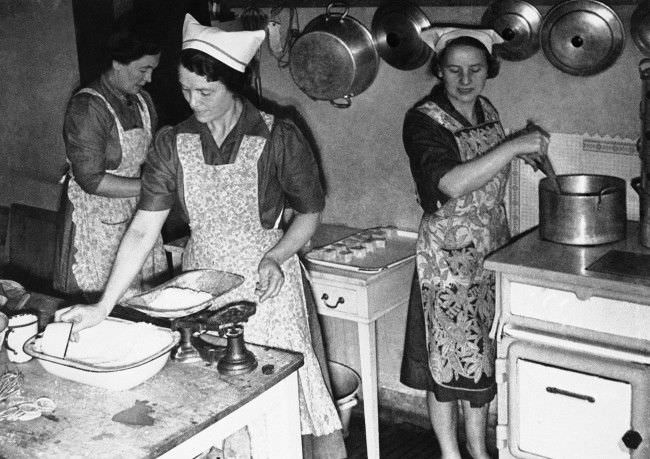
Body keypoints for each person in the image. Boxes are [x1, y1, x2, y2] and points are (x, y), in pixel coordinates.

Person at [58, 14, 346, 459]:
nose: (193, 101)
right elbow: (141, 229)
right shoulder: (172, 143)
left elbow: (310, 212)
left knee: (278, 410)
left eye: (205, 92)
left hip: (267, 285)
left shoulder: (277, 134)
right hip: (201, 287)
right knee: (216, 410)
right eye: (186, 89)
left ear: (236, 84)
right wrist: (103, 306)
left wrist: (277, 254)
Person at [399, 28, 549, 459]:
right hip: (445, 259)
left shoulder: (485, 109)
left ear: (489, 70)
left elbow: (485, 165)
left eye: (475, 69)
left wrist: (517, 149)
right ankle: (450, 454)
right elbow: (449, 182)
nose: (466, 80)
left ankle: (478, 450)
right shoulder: (423, 120)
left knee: (480, 361)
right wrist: (511, 146)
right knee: (445, 365)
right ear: (439, 72)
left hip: (488, 251)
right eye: (454, 70)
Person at [54, 14, 168, 300]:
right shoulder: (88, 107)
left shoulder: (143, 101)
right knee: (111, 303)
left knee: (145, 297)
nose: (149, 78)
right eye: (143, 70)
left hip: (138, 213)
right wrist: (150, 188)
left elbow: (152, 153)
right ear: (118, 62)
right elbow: (91, 181)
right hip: (101, 223)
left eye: (152, 69)